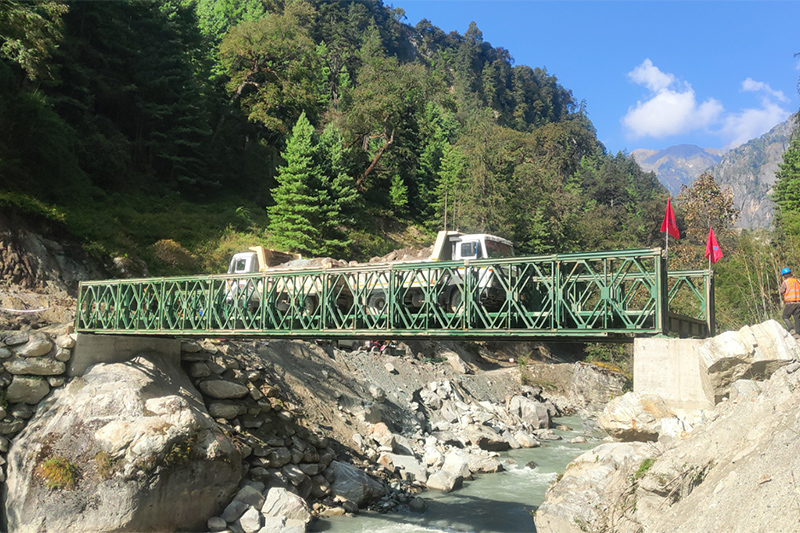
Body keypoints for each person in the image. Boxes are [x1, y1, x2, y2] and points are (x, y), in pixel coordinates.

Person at [779, 267, 800, 335]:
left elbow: (781, 291)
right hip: (798, 303)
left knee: (785, 316)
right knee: (797, 318)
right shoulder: (797, 281)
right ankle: (798, 332)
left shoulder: (786, 282)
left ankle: (791, 329)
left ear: (784, 275)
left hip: (790, 303)